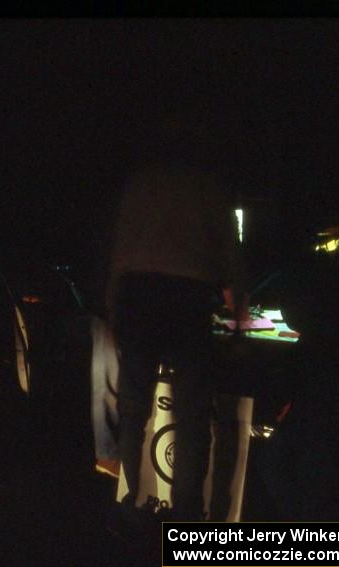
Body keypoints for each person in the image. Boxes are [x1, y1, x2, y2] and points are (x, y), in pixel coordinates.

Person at [107, 107, 248, 521]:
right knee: (191, 413)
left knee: (133, 405)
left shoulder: (139, 183)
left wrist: (114, 305)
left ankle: (131, 502)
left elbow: (121, 251)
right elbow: (228, 258)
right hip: (186, 298)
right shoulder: (207, 185)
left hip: (138, 294)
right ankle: (187, 517)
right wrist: (237, 318)